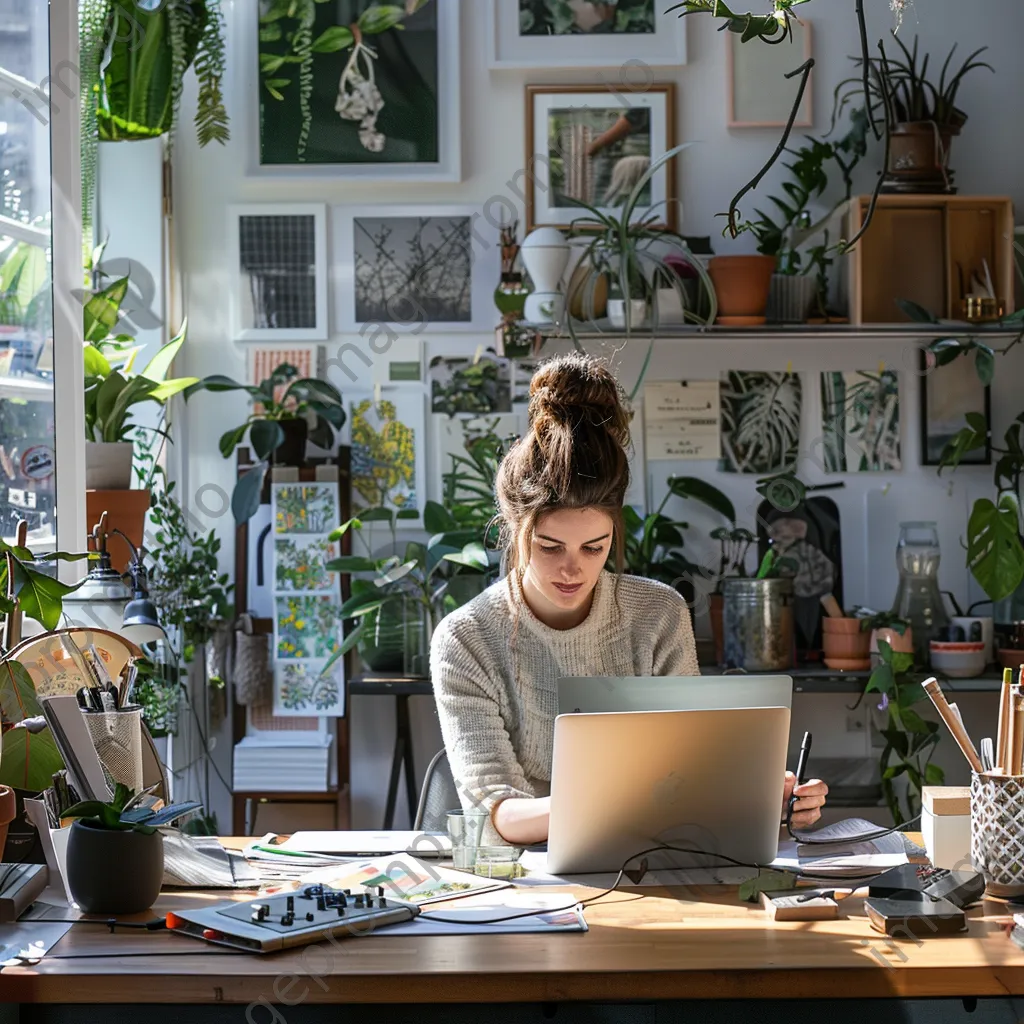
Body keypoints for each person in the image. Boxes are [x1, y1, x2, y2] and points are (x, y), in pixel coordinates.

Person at [430, 353, 828, 847]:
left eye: (594, 548)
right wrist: (614, 797)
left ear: (614, 532)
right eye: (549, 547)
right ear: (515, 531)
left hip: (650, 858)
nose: (573, 568)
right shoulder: (466, 638)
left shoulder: (657, 615)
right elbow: (496, 813)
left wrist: (763, 794)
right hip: (528, 875)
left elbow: (692, 764)